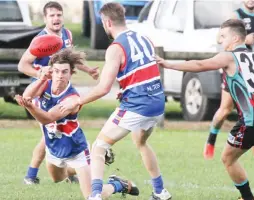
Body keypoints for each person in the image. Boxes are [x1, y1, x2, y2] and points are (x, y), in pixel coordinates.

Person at [156, 19, 254, 200]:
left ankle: (247, 198)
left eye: (223, 36)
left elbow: (200, 65)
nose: (221, 41)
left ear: (236, 38)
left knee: (228, 159)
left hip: (251, 117)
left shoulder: (229, 57)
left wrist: (168, 64)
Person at [59, 2, 171, 200]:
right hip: (157, 102)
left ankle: (95, 195)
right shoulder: (144, 38)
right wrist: (127, 89)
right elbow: (142, 72)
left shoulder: (115, 48)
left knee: (99, 147)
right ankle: (160, 191)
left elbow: (103, 88)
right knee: (141, 142)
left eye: (103, 23)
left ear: (107, 22)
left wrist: (76, 102)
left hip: (138, 106)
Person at [15, 48, 139, 199]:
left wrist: (29, 106)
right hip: (54, 147)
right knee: (57, 178)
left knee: (92, 196)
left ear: (71, 73)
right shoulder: (45, 84)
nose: (60, 76)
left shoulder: (72, 98)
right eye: (57, 71)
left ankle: (117, 184)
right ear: (51, 71)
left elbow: (47, 118)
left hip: (76, 149)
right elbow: (27, 95)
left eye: (64, 72)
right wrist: (41, 78)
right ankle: (92, 164)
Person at [18, 1, 99, 185]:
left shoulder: (67, 34)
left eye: (59, 14)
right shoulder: (40, 40)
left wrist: (88, 70)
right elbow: (22, 65)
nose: (56, 18)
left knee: (56, 130)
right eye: (52, 15)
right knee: (49, 130)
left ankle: (66, 172)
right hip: (42, 92)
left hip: (61, 91)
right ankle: (31, 175)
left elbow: (69, 59)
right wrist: (39, 74)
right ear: (45, 18)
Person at [206, 0, 254, 155]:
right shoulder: (236, 15)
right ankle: (211, 140)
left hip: (253, 69)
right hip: (236, 68)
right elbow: (219, 38)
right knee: (225, 109)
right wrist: (245, 40)